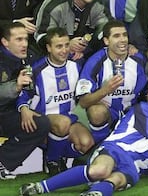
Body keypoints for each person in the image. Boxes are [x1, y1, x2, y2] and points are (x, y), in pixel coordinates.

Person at [19, 77, 148, 195]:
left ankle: (93, 194)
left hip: (133, 166)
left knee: (115, 180)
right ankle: (41, 187)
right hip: (115, 150)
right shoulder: (142, 110)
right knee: (100, 171)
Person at [16, 27, 94, 176]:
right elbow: (22, 95)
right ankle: (52, 160)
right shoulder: (36, 70)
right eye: (59, 46)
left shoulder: (76, 65)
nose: (64, 50)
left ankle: (56, 152)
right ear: (48, 48)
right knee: (62, 123)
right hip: (42, 122)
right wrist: (24, 109)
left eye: (66, 45)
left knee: (86, 143)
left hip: (68, 120)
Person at [75, 20, 147, 144]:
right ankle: (101, 145)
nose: (123, 39)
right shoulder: (95, 62)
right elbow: (83, 102)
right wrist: (105, 90)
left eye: (125, 35)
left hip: (131, 111)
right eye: (116, 36)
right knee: (97, 112)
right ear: (106, 41)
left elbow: (147, 90)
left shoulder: (138, 60)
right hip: (108, 112)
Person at [0, 22, 50, 180]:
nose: (24, 44)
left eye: (26, 39)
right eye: (19, 39)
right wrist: (15, 86)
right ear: (5, 42)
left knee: (40, 123)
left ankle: (3, 161)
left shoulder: (30, 56)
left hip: (11, 112)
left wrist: (23, 108)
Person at [35, 0, 110, 60]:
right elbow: (41, 38)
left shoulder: (97, 4)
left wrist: (85, 48)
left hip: (84, 55)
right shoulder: (56, 5)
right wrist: (67, 45)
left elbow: (106, 30)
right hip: (51, 57)